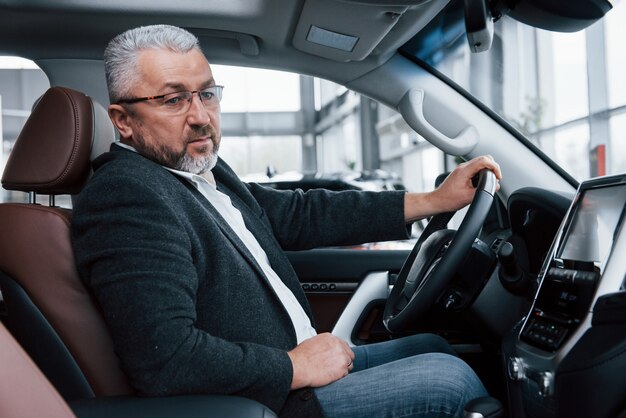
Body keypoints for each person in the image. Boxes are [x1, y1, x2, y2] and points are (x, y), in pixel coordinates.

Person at [71, 24, 502, 418]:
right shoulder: (126, 197)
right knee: (450, 380)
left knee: (436, 347)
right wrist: (293, 366)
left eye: (206, 93)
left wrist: (434, 200)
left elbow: (298, 213)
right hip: (267, 401)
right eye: (173, 99)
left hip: (294, 368)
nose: (201, 116)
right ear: (123, 121)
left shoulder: (197, 173)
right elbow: (165, 361)